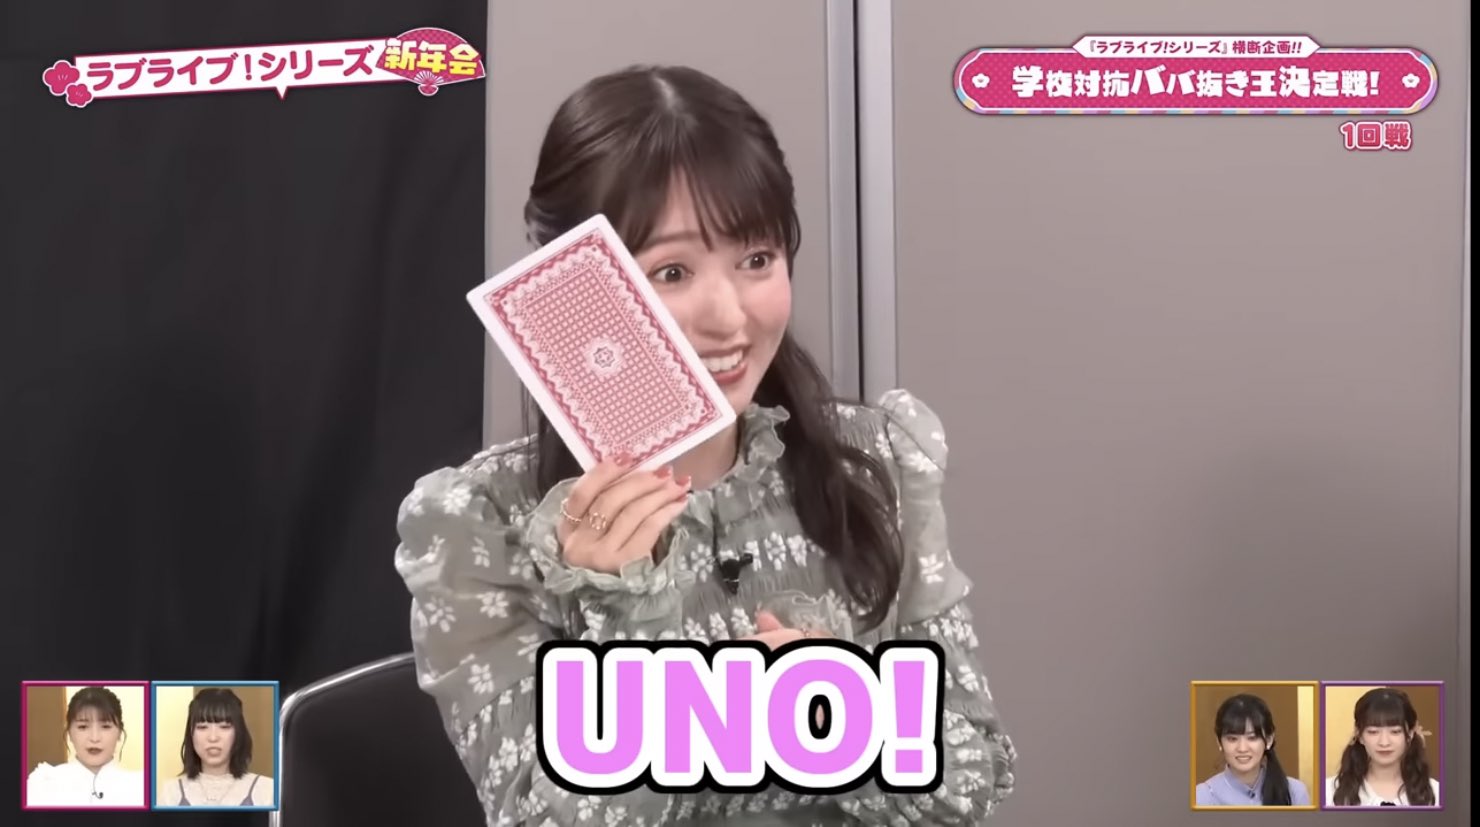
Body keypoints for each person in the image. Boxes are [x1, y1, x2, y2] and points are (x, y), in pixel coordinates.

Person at [394, 64, 1017, 825]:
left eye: (757, 259)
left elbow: (974, 778)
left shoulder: (878, 460)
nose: (729, 317)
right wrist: (627, 617)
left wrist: (836, 717)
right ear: (574, 286)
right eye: (672, 271)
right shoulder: (478, 520)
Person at [25, 686, 145, 807]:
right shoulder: (43, 784)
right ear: (69, 733)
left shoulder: (141, 787)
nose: (94, 738)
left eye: (105, 727)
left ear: (119, 733)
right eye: (83, 727)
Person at [158, 688, 275, 807]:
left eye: (224, 727)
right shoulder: (171, 792)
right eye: (202, 727)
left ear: (239, 733)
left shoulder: (267, 790)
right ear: (191, 734)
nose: (213, 738)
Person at [1325, 687, 1440, 807]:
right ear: (1359, 735)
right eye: (1373, 732)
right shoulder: (1329, 792)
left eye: (1395, 732)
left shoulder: (1436, 793)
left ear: (1410, 734)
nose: (1384, 742)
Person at [1194, 693, 1310, 806]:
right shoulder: (1203, 797)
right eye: (1232, 739)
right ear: (1219, 742)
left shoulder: (1294, 793)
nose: (1242, 748)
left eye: (1252, 738)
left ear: (1269, 740)